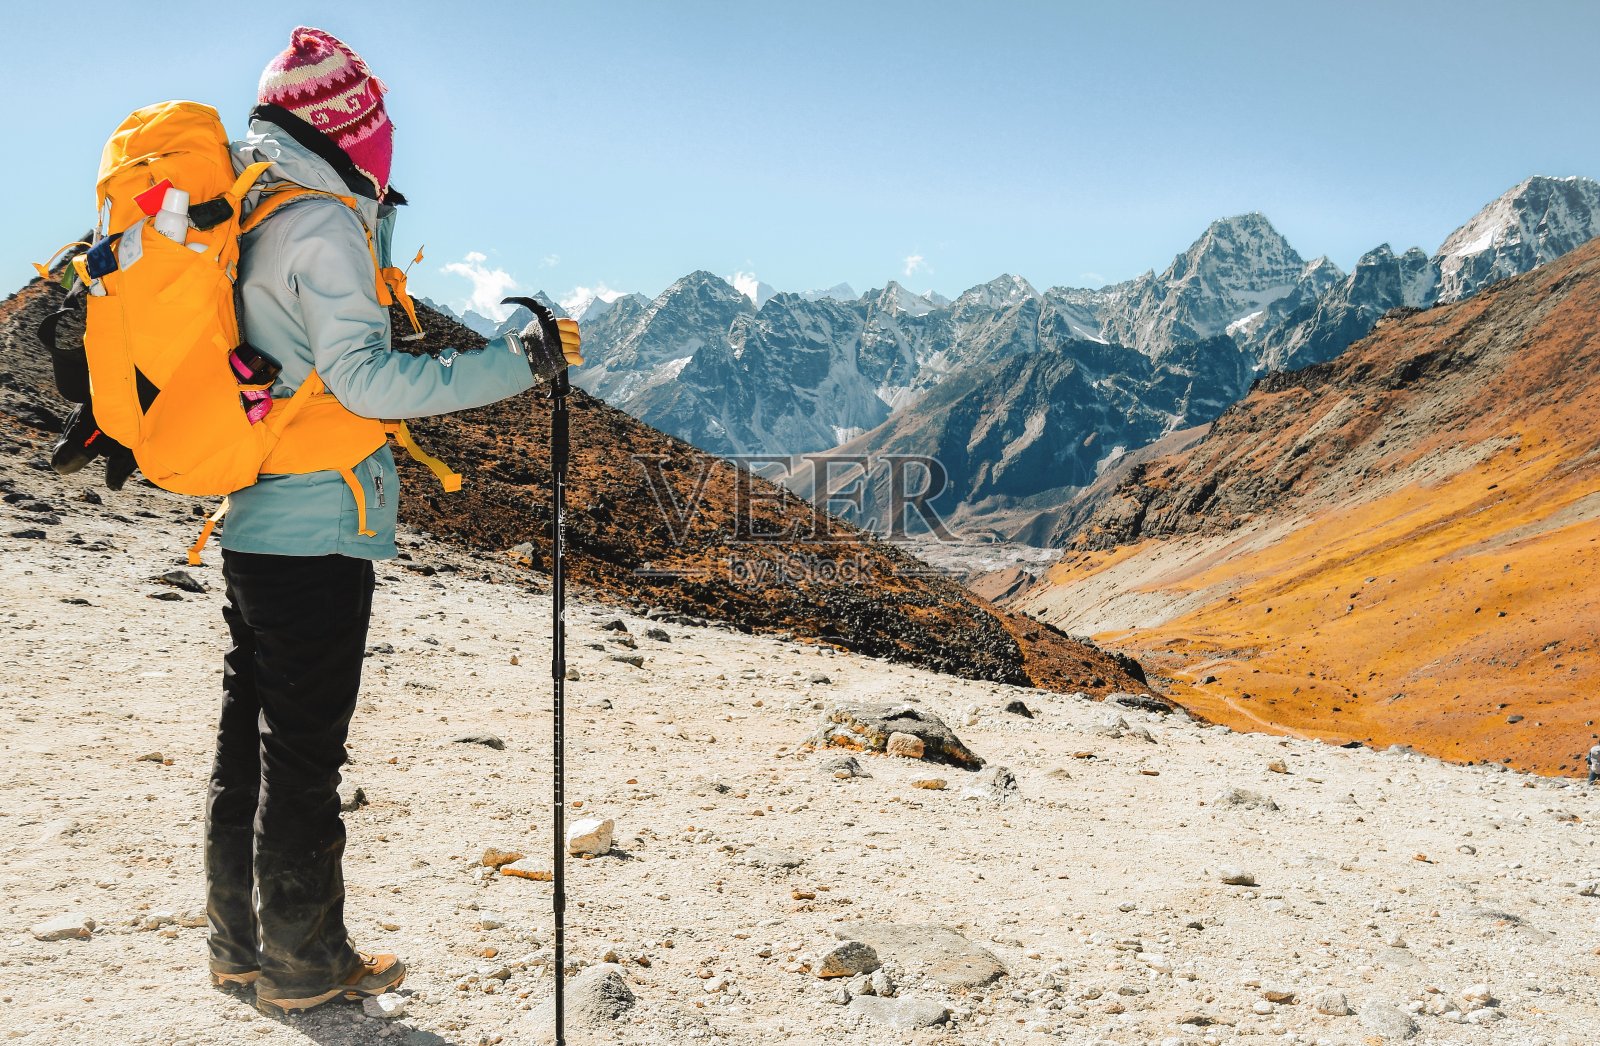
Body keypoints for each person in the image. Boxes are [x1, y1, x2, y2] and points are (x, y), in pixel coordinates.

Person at [204, 27, 581, 1015]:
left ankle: (238, 948)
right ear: (347, 128)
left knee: (249, 739)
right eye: (376, 124)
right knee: (303, 754)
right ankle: (305, 962)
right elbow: (366, 383)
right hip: (318, 526)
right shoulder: (321, 224)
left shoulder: (251, 207)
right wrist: (515, 362)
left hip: (253, 514)